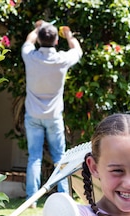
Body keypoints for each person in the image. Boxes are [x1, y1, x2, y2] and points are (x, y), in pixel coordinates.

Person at [21, 20, 82, 204]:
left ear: (39, 40)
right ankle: (63, 196)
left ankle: (31, 199)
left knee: (34, 158)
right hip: (54, 116)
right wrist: (69, 35)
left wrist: (38, 27)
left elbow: (28, 41)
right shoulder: (61, 60)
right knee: (60, 158)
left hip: (33, 115)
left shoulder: (30, 57)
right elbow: (77, 50)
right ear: (56, 41)